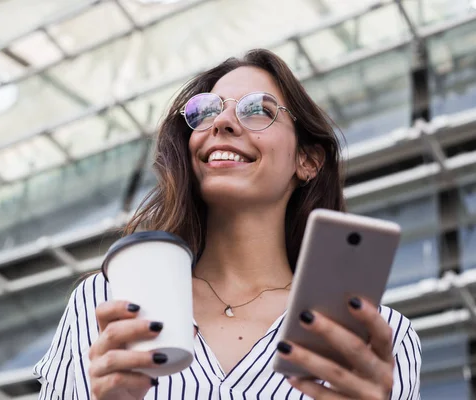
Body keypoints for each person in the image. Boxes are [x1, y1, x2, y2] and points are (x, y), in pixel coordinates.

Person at [34, 48, 421, 399]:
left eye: (257, 109)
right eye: (206, 110)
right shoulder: (108, 301)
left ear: (308, 160)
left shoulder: (374, 339)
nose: (221, 121)